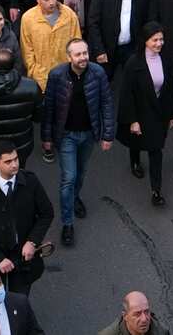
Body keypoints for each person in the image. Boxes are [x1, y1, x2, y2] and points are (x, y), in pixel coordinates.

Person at [41, 38, 114, 247]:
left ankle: (75, 198)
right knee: (68, 178)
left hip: (89, 134)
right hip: (66, 136)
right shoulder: (57, 75)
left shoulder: (97, 73)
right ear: (69, 57)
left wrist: (107, 135)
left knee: (80, 173)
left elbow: (106, 103)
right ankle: (67, 223)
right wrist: (46, 138)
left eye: (85, 53)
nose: (83, 58)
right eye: (78, 54)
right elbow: (49, 109)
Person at [0, 141, 54, 298]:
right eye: (8, 161)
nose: (14, 165)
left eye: (16, 159)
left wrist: (32, 241)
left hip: (22, 258)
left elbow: (46, 213)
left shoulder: (30, 182)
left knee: (19, 302)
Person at [118, 24, 173, 206]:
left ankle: (156, 190)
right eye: (155, 40)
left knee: (156, 149)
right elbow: (126, 94)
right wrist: (132, 120)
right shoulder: (133, 63)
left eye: (161, 39)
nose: (159, 43)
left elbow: (170, 89)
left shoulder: (167, 60)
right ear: (145, 41)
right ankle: (135, 161)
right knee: (136, 141)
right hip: (140, 111)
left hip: (159, 112)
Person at [97, 291, 171, 335]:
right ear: (125, 316)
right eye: (137, 314)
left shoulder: (161, 332)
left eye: (146, 312)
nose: (144, 319)